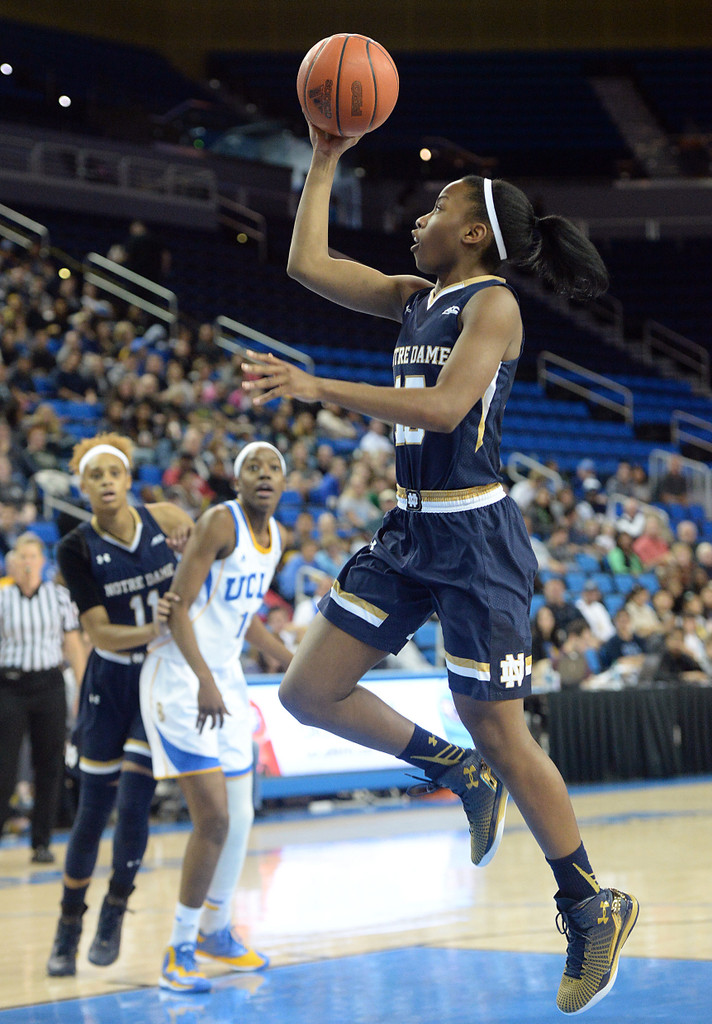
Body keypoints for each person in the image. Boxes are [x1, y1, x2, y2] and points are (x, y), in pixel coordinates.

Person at [241, 123, 638, 1015]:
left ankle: (588, 904)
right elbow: (308, 264)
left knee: (503, 726)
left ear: (473, 234)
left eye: (437, 208)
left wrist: (318, 386)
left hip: (476, 539)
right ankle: (455, 771)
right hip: (408, 531)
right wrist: (327, 154)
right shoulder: (418, 295)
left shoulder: (493, 306)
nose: (418, 217)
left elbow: (451, 405)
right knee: (307, 693)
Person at [140, 442, 292, 992]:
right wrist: (204, 678)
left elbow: (244, 616)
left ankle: (216, 930)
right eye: (253, 467)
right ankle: (178, 948)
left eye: (273, 468)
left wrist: (289, 659)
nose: (264, 475)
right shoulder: (218, 524)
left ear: (284, 481)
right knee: (215, 818)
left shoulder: (277, 538)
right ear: (236, 478)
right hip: (181, 676)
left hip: (223, 677)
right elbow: (177, 608)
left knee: (243, 818)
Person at [46, 433, 194, 977]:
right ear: (82, 488)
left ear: (128, 478)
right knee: (91, 814)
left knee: (135, 804)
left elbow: (188, 524)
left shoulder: (161, 516)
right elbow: (101, 634)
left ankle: (113, 911)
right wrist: (155, 627)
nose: (106, 482)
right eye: (95, 476)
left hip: (155, 683)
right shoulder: (75, 548)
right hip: (109, 684)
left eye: (115, 473)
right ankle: (68, 925)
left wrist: (187, 526)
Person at [0, 533, 87, 863]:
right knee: (4, 767)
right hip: (9, 684)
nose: (26, 562)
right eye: (21, 556)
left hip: (49, 684)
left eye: (32, 556)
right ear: (12, 561)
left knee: (49, 765)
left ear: (42, 561)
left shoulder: (59, 597)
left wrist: (81, 687)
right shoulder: (3, 598)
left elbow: (74, 644)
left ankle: (41, 842)